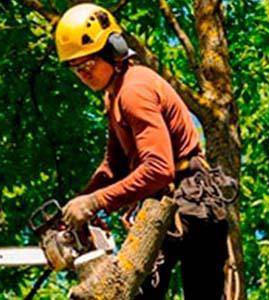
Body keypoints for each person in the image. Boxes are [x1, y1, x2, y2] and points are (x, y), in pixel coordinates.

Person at [55, 4, 231, 300]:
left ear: (112, 49)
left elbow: (159, 168)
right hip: (166, 203)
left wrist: (96, 201)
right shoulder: (115, 96)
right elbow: (114, 165)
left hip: (190, 201)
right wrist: (81, 204)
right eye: (76, 68)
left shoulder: (135, 90)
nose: (83, 74)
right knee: (128, 291)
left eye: (88, 64)